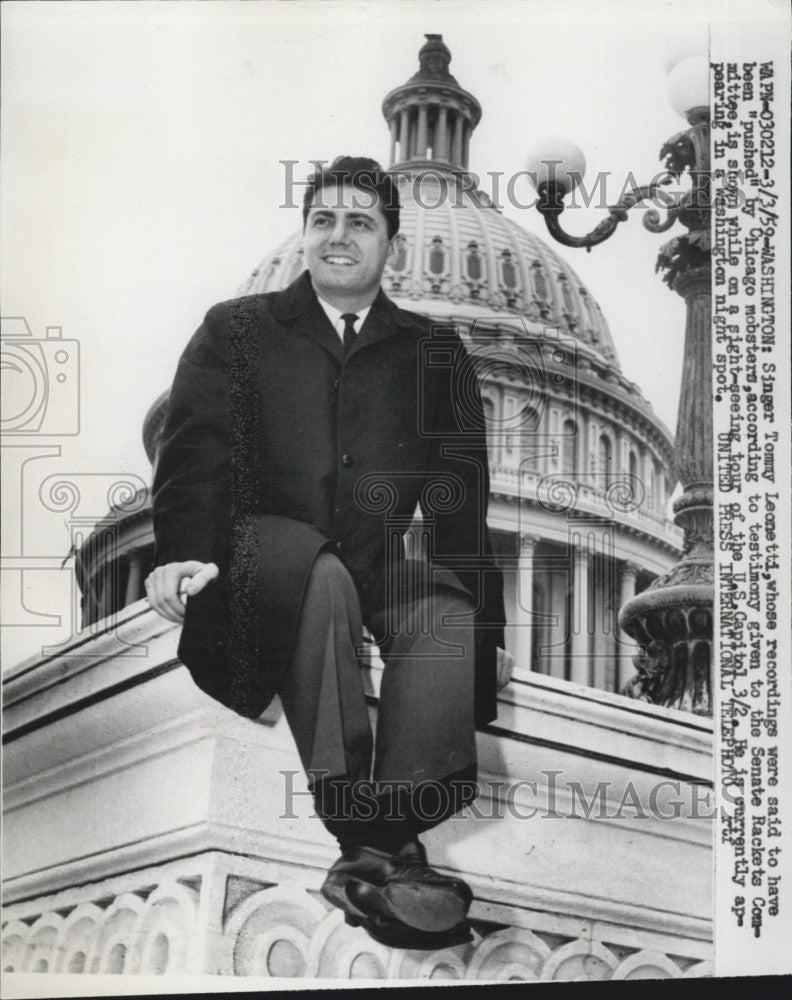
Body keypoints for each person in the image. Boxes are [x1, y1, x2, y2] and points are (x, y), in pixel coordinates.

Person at [146, 156, 509, 950]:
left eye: (360, 223)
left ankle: (384, 843)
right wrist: (181, 553)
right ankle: (373, 845)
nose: (338, 237)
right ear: (305, 233)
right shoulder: (234, 330)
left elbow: (459, 503)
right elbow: (194, 452)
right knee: (320, 575)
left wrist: (488, 631)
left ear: (391, 246)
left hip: (376, 562)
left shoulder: (435, 353)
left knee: (446, 607)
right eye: (323, 220)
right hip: (264, 556)